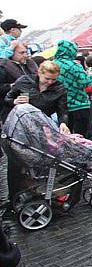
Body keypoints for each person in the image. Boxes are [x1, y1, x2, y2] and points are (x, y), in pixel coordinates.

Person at [4, 61, 69, 210]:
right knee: (15, 164)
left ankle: (38, 193)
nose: (50, 82)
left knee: (39, 161)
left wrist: (63, 123)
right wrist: (14, 101)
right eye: (47, 79)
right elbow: (7, 99)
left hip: (40, 129)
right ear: (39, 72)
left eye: (53, 79)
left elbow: (63, 110)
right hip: (19, 129)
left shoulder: (59, 88)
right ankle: (13, 198)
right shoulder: (24, 81)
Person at [52, 40, 92, 139]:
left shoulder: (52, 65)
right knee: (82, 136)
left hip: (61, 106)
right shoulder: (75, 65)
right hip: (79, 105)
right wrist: (91, 77)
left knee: (65, 136)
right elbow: (86, 83)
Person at [0, 41, 38, 111]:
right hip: (12, 108)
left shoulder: (30, 63)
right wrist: (11, 86)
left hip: (34, 104)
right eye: (22, 53)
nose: (25, 55)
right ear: (12, 53)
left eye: (26, 52)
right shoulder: (3, 67)